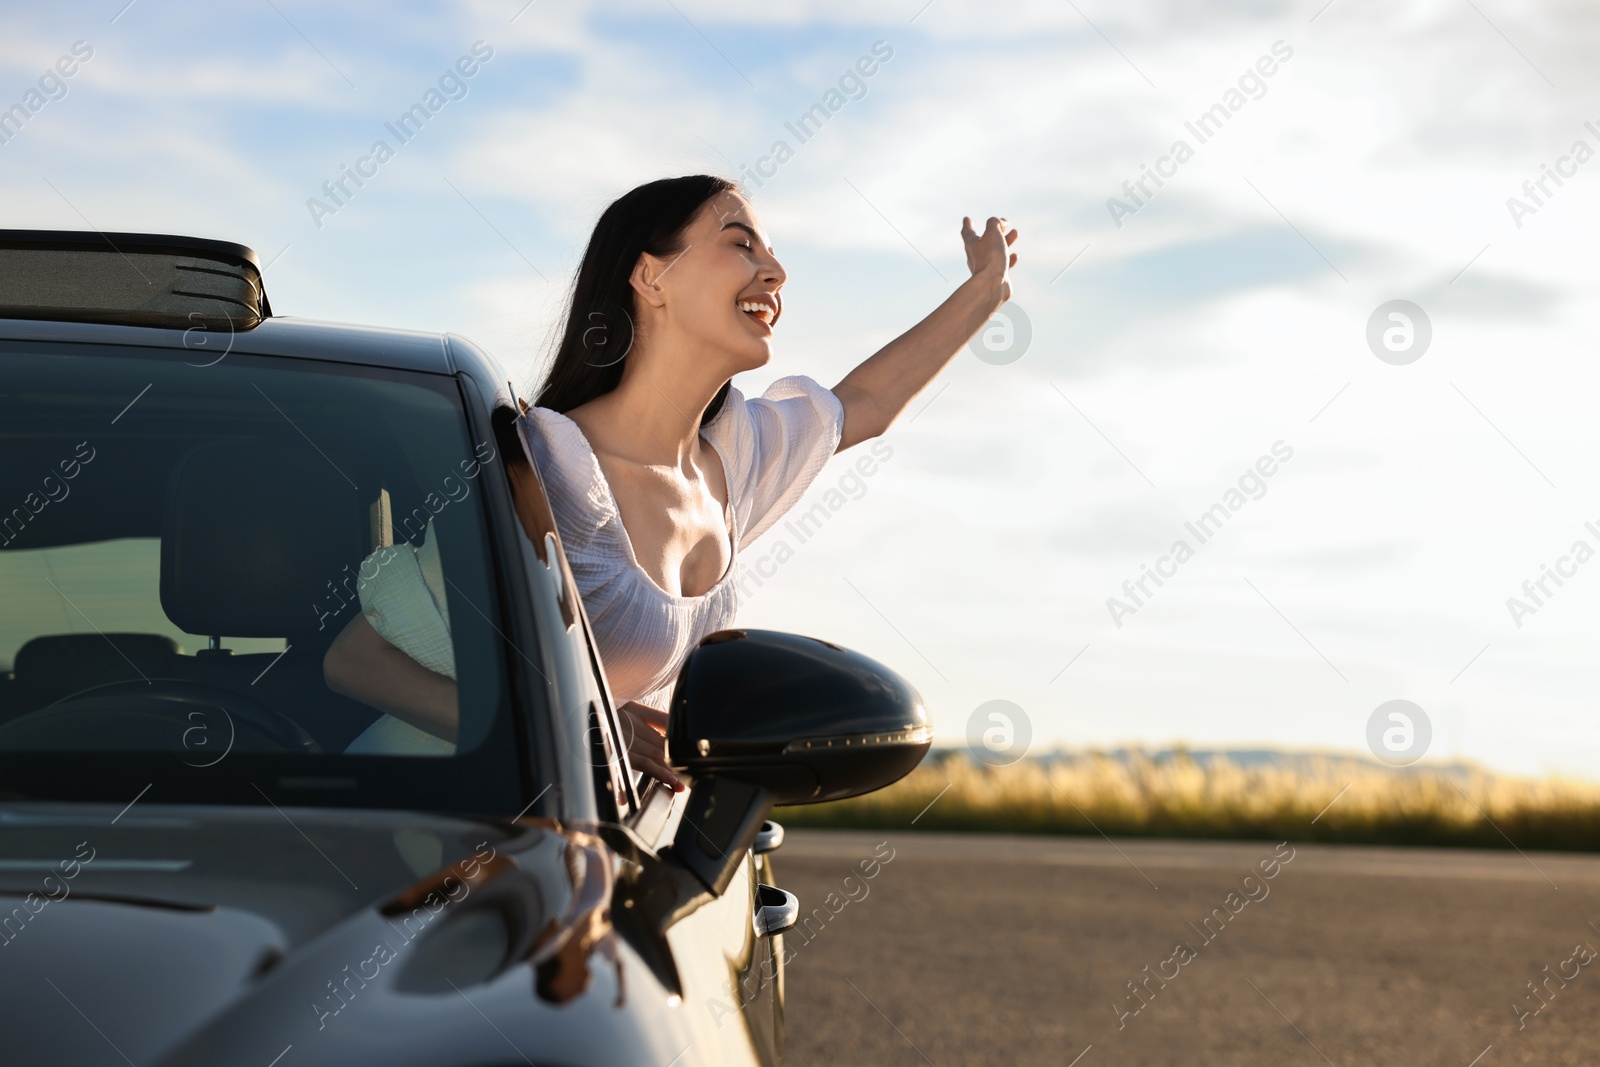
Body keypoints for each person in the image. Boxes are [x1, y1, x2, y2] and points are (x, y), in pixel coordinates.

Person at [325, 174, 1019, 788]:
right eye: (741, 243)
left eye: (770, 252)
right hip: (420, 832)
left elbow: (863, 406)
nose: (774, 270)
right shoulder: (551, 462)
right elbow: (359, 661)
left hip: (583, 841)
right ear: (650, 277)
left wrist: (985, 290)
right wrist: (584, 725)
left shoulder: (733, 460)